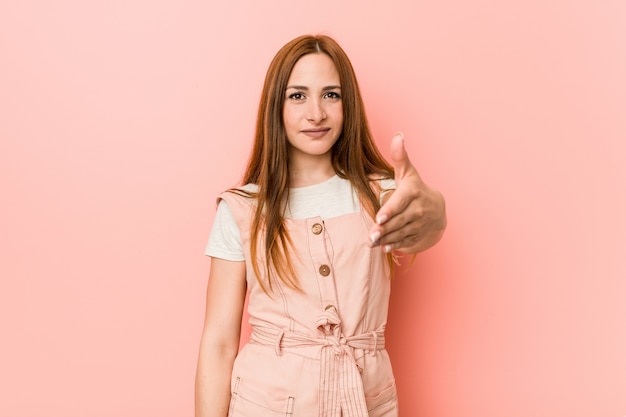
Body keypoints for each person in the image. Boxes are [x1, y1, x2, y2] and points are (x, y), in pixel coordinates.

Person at [195, 34, 446, 417]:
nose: (316, 113)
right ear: (275, 106)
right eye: (298, 96)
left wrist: (434, 209)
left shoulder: (383, 195)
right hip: (264, 403)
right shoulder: (242, 209)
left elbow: (427, 226)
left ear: (349, 105)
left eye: (331, 95)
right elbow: (218, 342)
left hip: (366, 400)